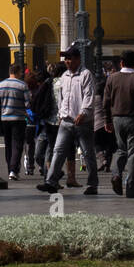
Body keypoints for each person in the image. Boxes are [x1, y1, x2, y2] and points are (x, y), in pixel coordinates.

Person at [37, 47, 100, 195]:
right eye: (66, 59)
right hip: (66, 120)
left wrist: (83, 113)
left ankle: (93, 184)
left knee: (87, 153)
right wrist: (61, 113)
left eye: (70, 59)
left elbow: (89, 96)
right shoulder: (64, 76)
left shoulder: (85, 75)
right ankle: (51, 182)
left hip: (82, 121)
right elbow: (62, 98)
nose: (67, 62)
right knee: (58, 151)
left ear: (78, 59)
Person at [103, 50, 134, 198]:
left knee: (121, 150)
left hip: (117, 118)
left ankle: (116, 174)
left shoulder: (112, 78)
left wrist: (107, 120)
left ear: (121, 63)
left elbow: (106, 102)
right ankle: (131, 187)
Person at [0, 62, 29, 181]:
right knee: (17, 145)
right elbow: (28, 103)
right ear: (18, 72)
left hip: (4, 119)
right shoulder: (22, 85)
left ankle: (10, 168)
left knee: (8, 145)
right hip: (18, 119)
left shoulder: (0, 85)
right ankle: (14, 170)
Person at [30, 64, 58, 179]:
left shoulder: (50, 86)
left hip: (52, 124)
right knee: (38, 155)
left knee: (49, 153)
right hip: (43, 125)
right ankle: (51, 172)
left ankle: (49, 177)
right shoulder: (44, 87)